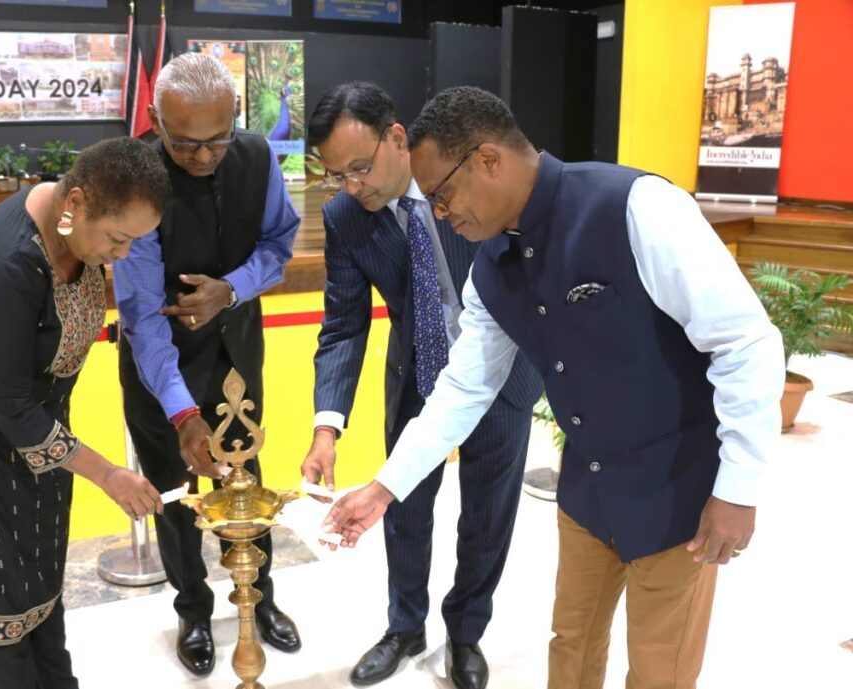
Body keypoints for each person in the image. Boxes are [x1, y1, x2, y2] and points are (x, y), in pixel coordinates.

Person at [323, 86, 785, 689]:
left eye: (442, 195)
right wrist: (385, 487)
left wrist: (739, 487)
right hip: (586, 494)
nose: (439, 213)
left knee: (659, 667)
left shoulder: (635, 207)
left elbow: (745, 343)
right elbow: (466, 384)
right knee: (571, 647)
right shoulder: (489, 265)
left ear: (488, 159)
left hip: (679, 497)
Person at [0, 136, 170, 689]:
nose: (121, 255)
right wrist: (110, 473)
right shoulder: (9, 260)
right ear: (76, 203)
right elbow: (3, 401)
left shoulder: (73, 231)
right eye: (118, 239)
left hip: (35, 428)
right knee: (4, 601)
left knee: (41, 577)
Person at [301, 82, 542, 689]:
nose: (353, 186)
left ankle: (465, 634)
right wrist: (326, 427)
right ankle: (405, 627)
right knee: (402, 506)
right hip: (419, 376)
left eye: (360, 167)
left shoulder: (473, 184)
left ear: (397, 138)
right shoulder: (346, 217)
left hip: (503, 374)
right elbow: (343, 324)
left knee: (489, 512)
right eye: (338, 176)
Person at [114, 52, 300, 677]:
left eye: (216, 139)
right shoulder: (135, 175)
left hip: (235, 353)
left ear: (235, 119)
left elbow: (279, 245)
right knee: (173, 491)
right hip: (157, 363)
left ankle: (261, 596)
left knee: (244, 476)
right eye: (184, 143)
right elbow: (142, 316)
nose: (201, 156)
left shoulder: (256, 157)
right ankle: (193, 611)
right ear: (155, 120)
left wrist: (233, 289)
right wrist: (183, 413)